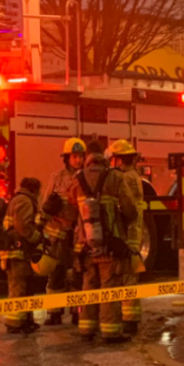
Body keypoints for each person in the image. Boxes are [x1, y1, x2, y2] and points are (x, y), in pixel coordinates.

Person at [67, 151, 137, 343]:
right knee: (109, 287)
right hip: (110, 245)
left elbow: (69, 208)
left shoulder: (76, 179)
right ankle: (110, 331)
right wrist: (123, 221)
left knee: (88, 286)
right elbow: (130, 208)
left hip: (84, 246)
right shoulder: (115, 178)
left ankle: (86, 330)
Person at [40, 138, 86, 326]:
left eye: (81, 157)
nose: (78, 160)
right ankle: (54, 313)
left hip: (77, 234)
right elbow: (45, 205)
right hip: (57, 235)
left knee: (77, 275)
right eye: (74, 157)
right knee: (56, 275)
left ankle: (77, 312)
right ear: (67, 158)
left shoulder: (86, 178)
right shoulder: (57, 178)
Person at [109, 139, 145, 335]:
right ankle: (129, 318)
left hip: (127, 234)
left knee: (127, 278)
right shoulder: (133, 176)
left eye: (113, 159)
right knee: (127, 277)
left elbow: (125, 207)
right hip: (132, 234)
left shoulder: (127, 179)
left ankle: (130, 320)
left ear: (119, 160)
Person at [1, 177, 43, 334]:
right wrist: (37, 238)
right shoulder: (24, 201)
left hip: (19, 252)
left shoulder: (20, 199)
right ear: (34, 189)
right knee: (18, 287)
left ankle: (25, 321)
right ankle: (14, 323)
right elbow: (23, 227)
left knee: (26, 287)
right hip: (17, 252)